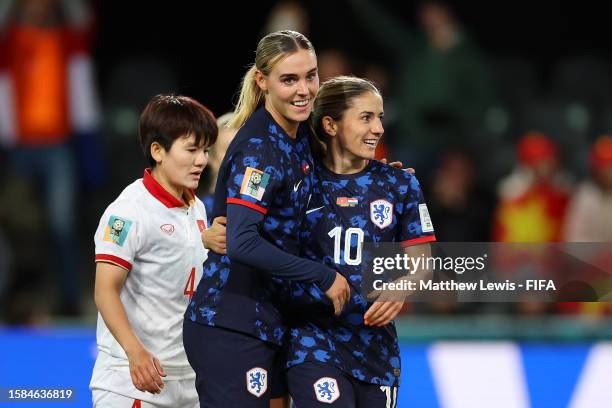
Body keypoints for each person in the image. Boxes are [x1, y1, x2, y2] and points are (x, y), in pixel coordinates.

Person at [182, 30, 350, 408]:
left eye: (311, 75)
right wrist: (322, 276)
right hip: (232, 323)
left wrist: (379, 179)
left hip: (272, 320)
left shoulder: (299, 135)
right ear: (262, 81)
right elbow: (241, 241)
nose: (304, 89)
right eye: (289, 79)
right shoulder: (260, 149)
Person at [278, 76, 435, 407]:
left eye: (380, 117)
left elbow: (423, 264)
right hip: (313, 340)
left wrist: (401, 286)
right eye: (366, 117)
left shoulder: (400, 184)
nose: (377, 128)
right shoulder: (298, 182)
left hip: (376, 350)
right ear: (331, 125)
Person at [90, 94, 217, 407]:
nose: (202, 160)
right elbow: (105, 291)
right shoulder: (129, 211)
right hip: (130, 382)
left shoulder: (197, 208)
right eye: (191, 149)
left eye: (205, 150)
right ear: (157, 151)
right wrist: (136, 354)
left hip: (189, 383)